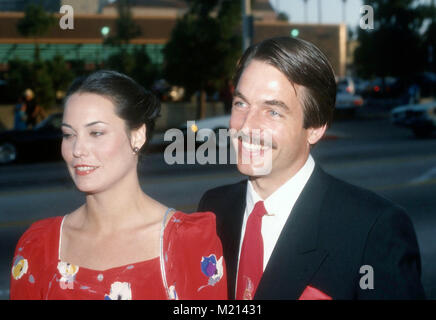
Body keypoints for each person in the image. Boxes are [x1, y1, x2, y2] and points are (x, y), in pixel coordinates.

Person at [198, 37, 425, 300]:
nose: (246, 126)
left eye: (272, 112)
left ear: (315, 128)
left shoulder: (374, 231)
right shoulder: (213, 208)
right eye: (241, 104)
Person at [10, 70, 227, 300]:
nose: (77, 150)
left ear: (137, 136)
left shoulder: (188, 243)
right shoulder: (38, 246)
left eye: (96, 132)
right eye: (68, 134)